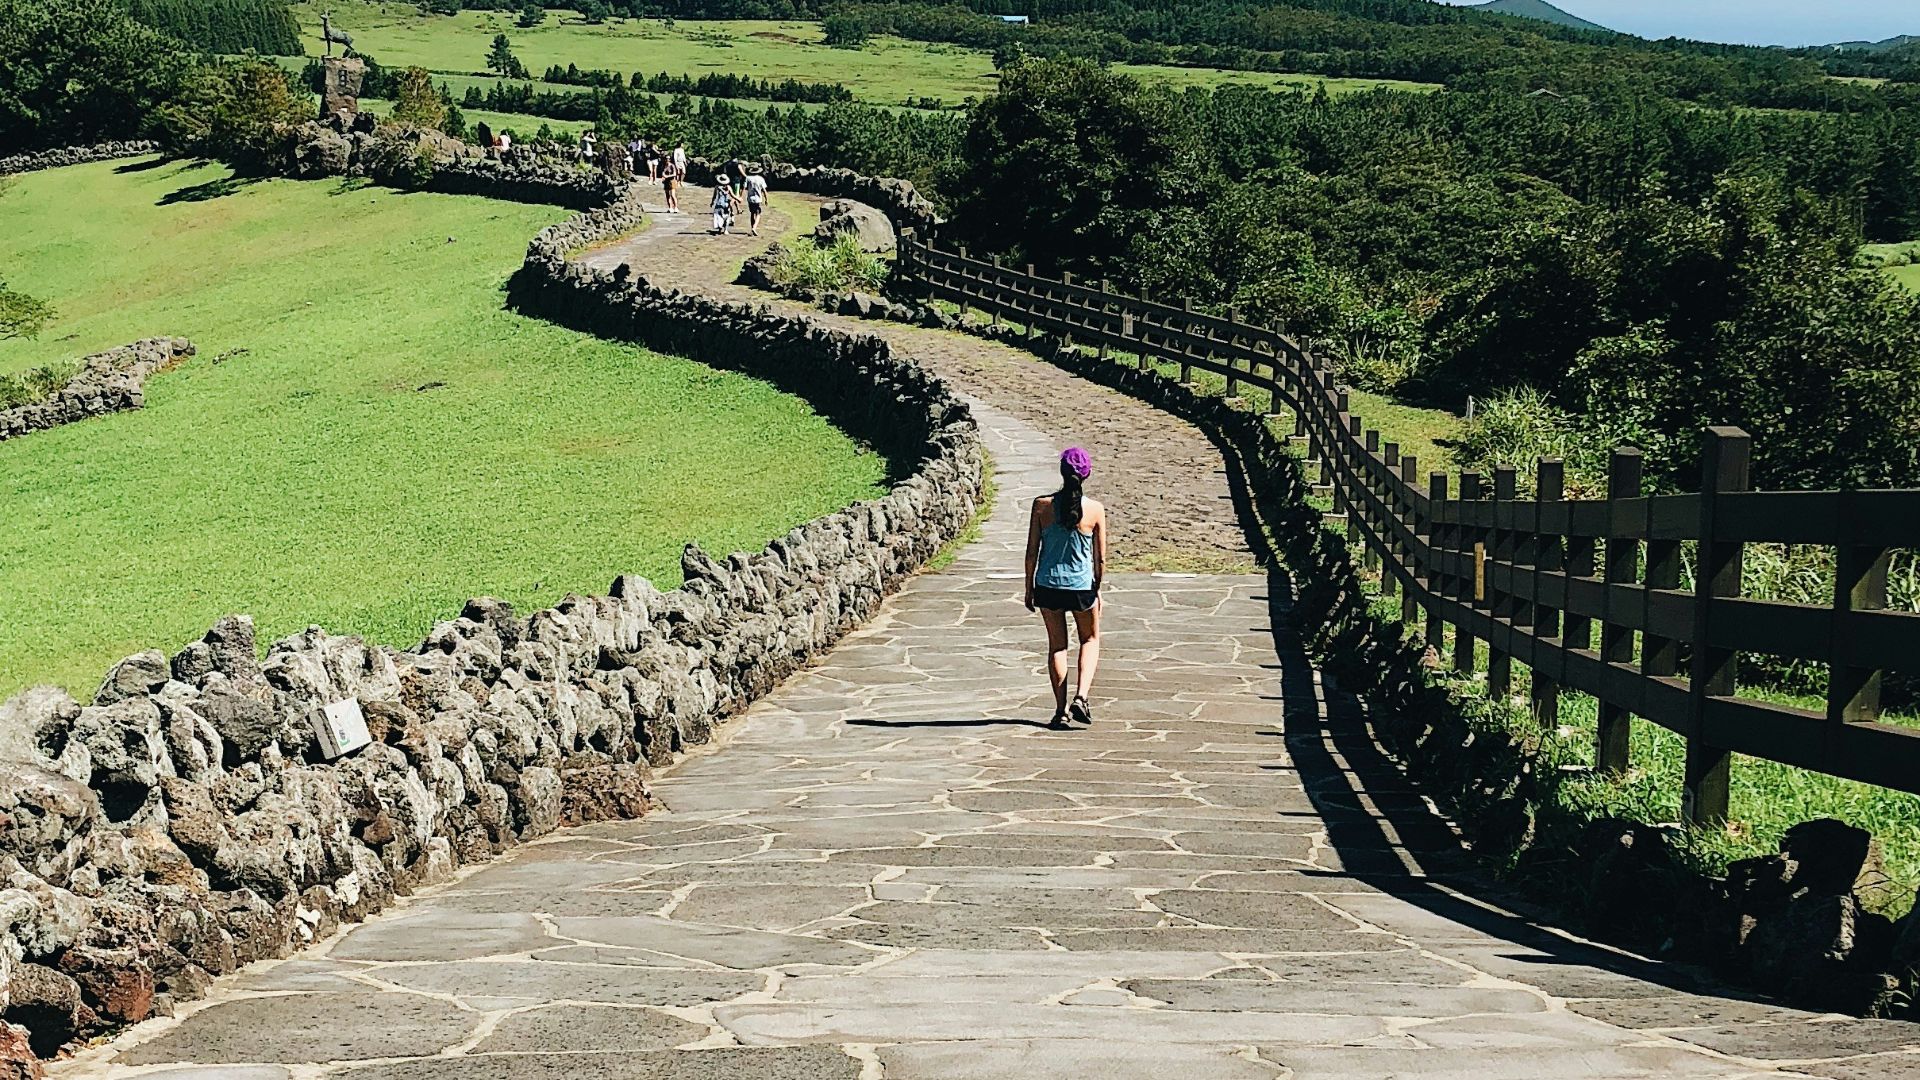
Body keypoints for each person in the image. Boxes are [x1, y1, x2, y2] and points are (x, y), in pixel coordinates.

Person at [1024, 447, 1106, 728]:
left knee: (1057, 646)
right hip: (1081, 586)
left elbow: (1032, 552)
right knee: (1090, 639)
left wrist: (1029, 588)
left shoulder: (1041, 506)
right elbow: (1100, 558)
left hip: (1047, 584)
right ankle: (1081, 696)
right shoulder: (1095, 509)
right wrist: (1097, 588)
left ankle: (1060, 710)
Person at [743, 166, 769, 236]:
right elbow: (764, 190)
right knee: (758, 213)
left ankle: (752, 228)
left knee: (752, 213)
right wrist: (766, 199)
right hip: (758, 199)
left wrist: (741, 196)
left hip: (750, 198)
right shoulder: (761, 179)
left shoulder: (748, 178)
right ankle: (754, 227)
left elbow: (744, 187)